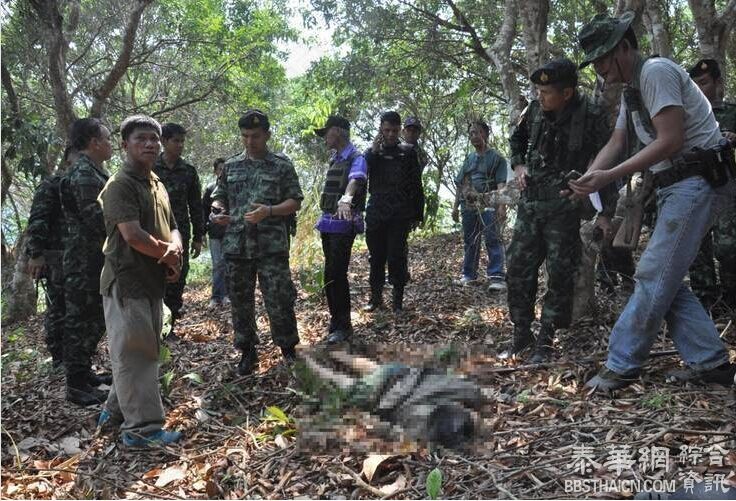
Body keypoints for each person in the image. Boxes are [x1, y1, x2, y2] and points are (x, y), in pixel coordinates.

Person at [573, 12, 736, 390]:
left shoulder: (656, 72)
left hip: (697, 179)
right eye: (593, 60)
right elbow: (616, 143)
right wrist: (587, 179)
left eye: (602, 57)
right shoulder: (632, 90)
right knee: (665, 277)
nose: (599, 68)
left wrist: (610, 176)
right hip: (674, 186)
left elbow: (670, 140)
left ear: (624, 48)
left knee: (651, 273)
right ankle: (711, 363)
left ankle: (621, 363)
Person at [503, 58, 613, 363]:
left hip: (565, 209)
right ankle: (521, 334)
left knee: (560, 275)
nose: (540, 96)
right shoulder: (535, 110)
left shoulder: (591, 114)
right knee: (518, 270)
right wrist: (520, 165)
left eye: (547, 91)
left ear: (567, 93)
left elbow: (610, 163)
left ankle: (546, 339)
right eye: (538, 90)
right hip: (531, 205)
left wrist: (606, 213)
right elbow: (516, 139)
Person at [97, 114, 183, 446]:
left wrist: (175, 248)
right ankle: (142, 430)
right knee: (137, 355)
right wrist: (168, 254)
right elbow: (132, 235)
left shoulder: (156, 183)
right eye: (140, 139)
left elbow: (172, 225)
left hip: (151, 281)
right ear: (125, 145)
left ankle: (115, 412)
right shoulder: (120, 185)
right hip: (127, 281)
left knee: (142, 350)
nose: (149, 144)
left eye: (154, 139)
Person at [210, 110, 303, 375]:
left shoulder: (281, 165)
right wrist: (218, 210)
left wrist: (270, 211)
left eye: (256, 136)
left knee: (279, 298)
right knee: (240, 301)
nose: (250, 141)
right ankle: (248, 352)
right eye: (245, 136)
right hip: (237, 246)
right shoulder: (231, 166)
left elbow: (295, 201)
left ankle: (288, 349)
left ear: (267, 135)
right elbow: (220, 196)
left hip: (271, 246)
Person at [59, 118, 113, 405]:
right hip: (85, 261)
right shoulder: (84, 174)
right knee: (82, 321)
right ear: (94, 142)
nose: (110, 143)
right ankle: (76, 384)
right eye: (107, 138)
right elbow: (97, 219)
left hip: (94, 258)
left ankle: (84, 373)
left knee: (94, 319)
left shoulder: (93, 171)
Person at [687, 59, 736, 315]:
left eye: (704, 83)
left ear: (718, 83)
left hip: (727, 191)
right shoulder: (688, 117)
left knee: (728, 248)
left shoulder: (731, 112)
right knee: (697, 250)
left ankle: (731, 298)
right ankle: (707, 304)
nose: (699, 88)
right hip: (696, 189)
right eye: (694, 84)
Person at [363, 111, 425, 313]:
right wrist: (373, 150)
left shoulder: (408, 152)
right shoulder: (372, 153)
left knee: (397, 257)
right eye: (387, 130)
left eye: (394, 130)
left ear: (400, 130)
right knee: (376, 257)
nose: (390, 134)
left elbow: (416, 185)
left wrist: (418, 214)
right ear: (381, 129)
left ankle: (397, 302)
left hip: (399, 214)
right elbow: (362, 177)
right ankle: (375, 298)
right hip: (376, 213)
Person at [313, 115, 367, 344]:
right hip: (328, 222)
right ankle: (336, 321)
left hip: (344, 223)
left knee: (337, 272)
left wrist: (346, 199)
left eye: (327, 132)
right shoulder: (334, 158)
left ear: (338, 131)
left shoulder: (356, 157)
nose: (324, 137)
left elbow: (355, 180)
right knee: (329, 274)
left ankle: (344, 326)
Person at [25, 146, 77, 369]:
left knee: (77, 308)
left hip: (79, 257)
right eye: (77, 158)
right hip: (56, 257)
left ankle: (76, 357)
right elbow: (38, 220)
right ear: (67, 161)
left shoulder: (90, 184)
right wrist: (35, 255)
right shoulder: (52, 186)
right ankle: (59, 357)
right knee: (58, 307)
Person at [153, 123, 204, 337]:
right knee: (154, 277)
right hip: (154, 231)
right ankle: (153, 327)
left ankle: (169, 326)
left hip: (180, 233)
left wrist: (198, 237)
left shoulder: (188, 172)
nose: (180, 145)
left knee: (177, 277)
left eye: (183, 141)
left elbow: (196, 205)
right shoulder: (150, 167)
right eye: (176, 141)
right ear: (164, 142)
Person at [451, 120, 509, 292]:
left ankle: (497, 276)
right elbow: (461, 183)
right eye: (470, 134)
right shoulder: (469, 159)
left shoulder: (496, 158)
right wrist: (455, 207)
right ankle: (469, 275)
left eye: (476, 132)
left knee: (492, 238)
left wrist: (501, 207)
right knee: (470, 239)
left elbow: (501, 185)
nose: (473, 137)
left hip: (488, 202)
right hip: (468, 204)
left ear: (485, 134)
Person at [202, 157, 229, 307]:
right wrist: (202, 232)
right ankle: (215, 296)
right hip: (214, 233)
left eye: (225, 169)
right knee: (217, 264)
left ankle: (226, 295)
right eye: (220, 169)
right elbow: (203, 211)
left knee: (228, 264)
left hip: (231, 232)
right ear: (215, 171)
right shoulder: (210, 189)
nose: (222, 172)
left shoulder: (232, 188)